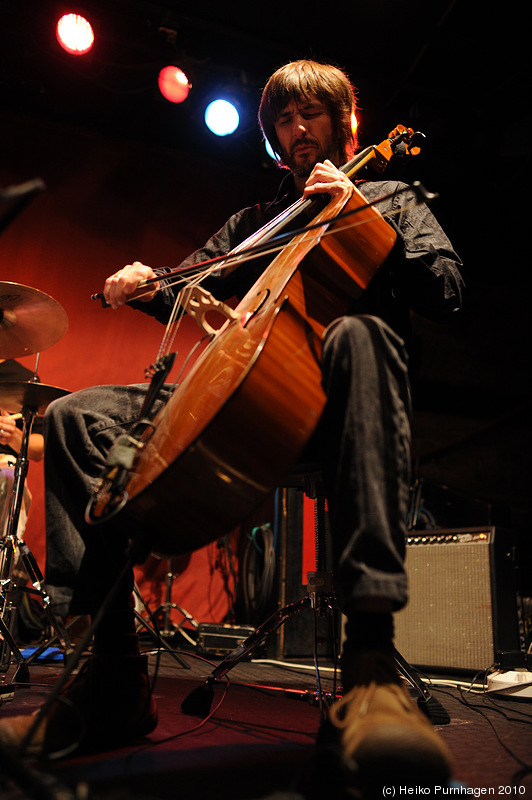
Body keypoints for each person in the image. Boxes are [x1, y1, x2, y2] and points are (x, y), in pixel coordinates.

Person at [0, 60, 464, 792]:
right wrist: (148, 283)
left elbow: (447, 286)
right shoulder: (254, 223)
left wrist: (363, 213)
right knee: (73, 417)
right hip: (248, 405)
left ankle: (371, 670)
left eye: (312, 114)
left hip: (341, 408)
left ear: (345, 124)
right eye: (283, 120)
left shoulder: (383, 193)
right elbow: (187, 288)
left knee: (362, 338)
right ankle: (107, 678)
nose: (298, 129)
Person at [0, 359, 44, 539]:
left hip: (2, 462)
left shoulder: (23, 379)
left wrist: (13, 436)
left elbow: (38, 448)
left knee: (7, 478)